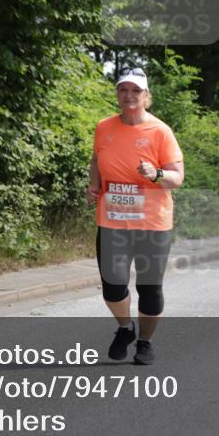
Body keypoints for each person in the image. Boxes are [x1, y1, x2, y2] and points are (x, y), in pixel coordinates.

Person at [87, 68, 183, 365]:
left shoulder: (160, 131)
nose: (129, 95)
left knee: (149, 288)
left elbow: (177, 177)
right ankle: (125, 328)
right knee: (112, 286)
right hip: (112, 220)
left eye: (135, 91)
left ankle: (145, 342)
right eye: (123, 89)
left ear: (146, 97)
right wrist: (93, 184)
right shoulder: (104, 127)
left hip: (152, 225)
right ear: (117, 94)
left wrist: (155, 174)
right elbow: (96, 159)